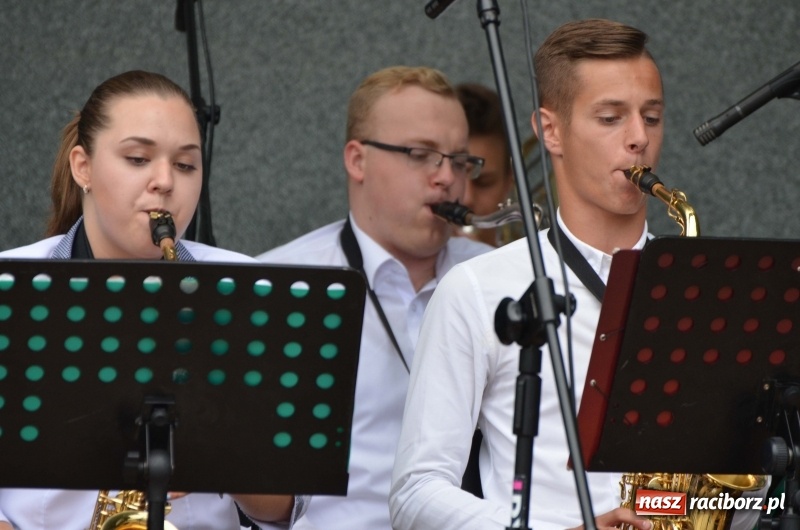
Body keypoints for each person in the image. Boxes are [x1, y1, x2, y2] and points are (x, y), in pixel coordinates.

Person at [390, 19, 766, 530]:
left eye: (652, 117)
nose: (639, 139)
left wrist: (716, 503)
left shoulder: (705, 296)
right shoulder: (476, 289)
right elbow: (415, 494)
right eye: (611, 118)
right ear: (550, 130)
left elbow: (745, 503)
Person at [0, 69, 306, 530]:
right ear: (81, 166)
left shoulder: (244, 290)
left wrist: (220, 453)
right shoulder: (10, 286)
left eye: (185, 165)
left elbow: (285, 509)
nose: (165, 182)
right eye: (139, 158)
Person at [255, 66, 493, 529]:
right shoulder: (277, 286)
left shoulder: (496, 278)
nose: (446, 177)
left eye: (460, 160)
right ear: (357, 160)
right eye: (421, 154)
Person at [454, 82, 517, 247]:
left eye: (484, 183)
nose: (466, 199)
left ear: (508, 182)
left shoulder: (525, 271)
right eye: (454, 177)